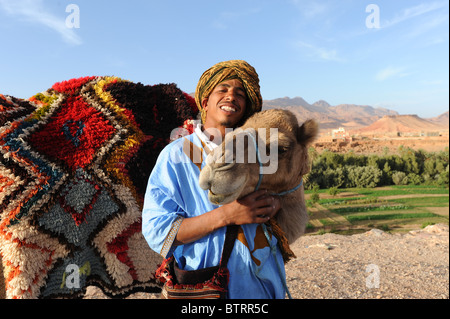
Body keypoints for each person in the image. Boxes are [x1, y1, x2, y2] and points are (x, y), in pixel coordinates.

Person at [142, 60, 287, 299]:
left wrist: (276, 204)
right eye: (223, 89)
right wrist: (227, 215)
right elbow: (158, 230)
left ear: (247, 107)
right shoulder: (177, 155)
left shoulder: (261, 152)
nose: (231, 96)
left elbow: (287, 196)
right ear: (205, 102)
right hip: (207, 289)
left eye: (240, 94)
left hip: (263, 287)